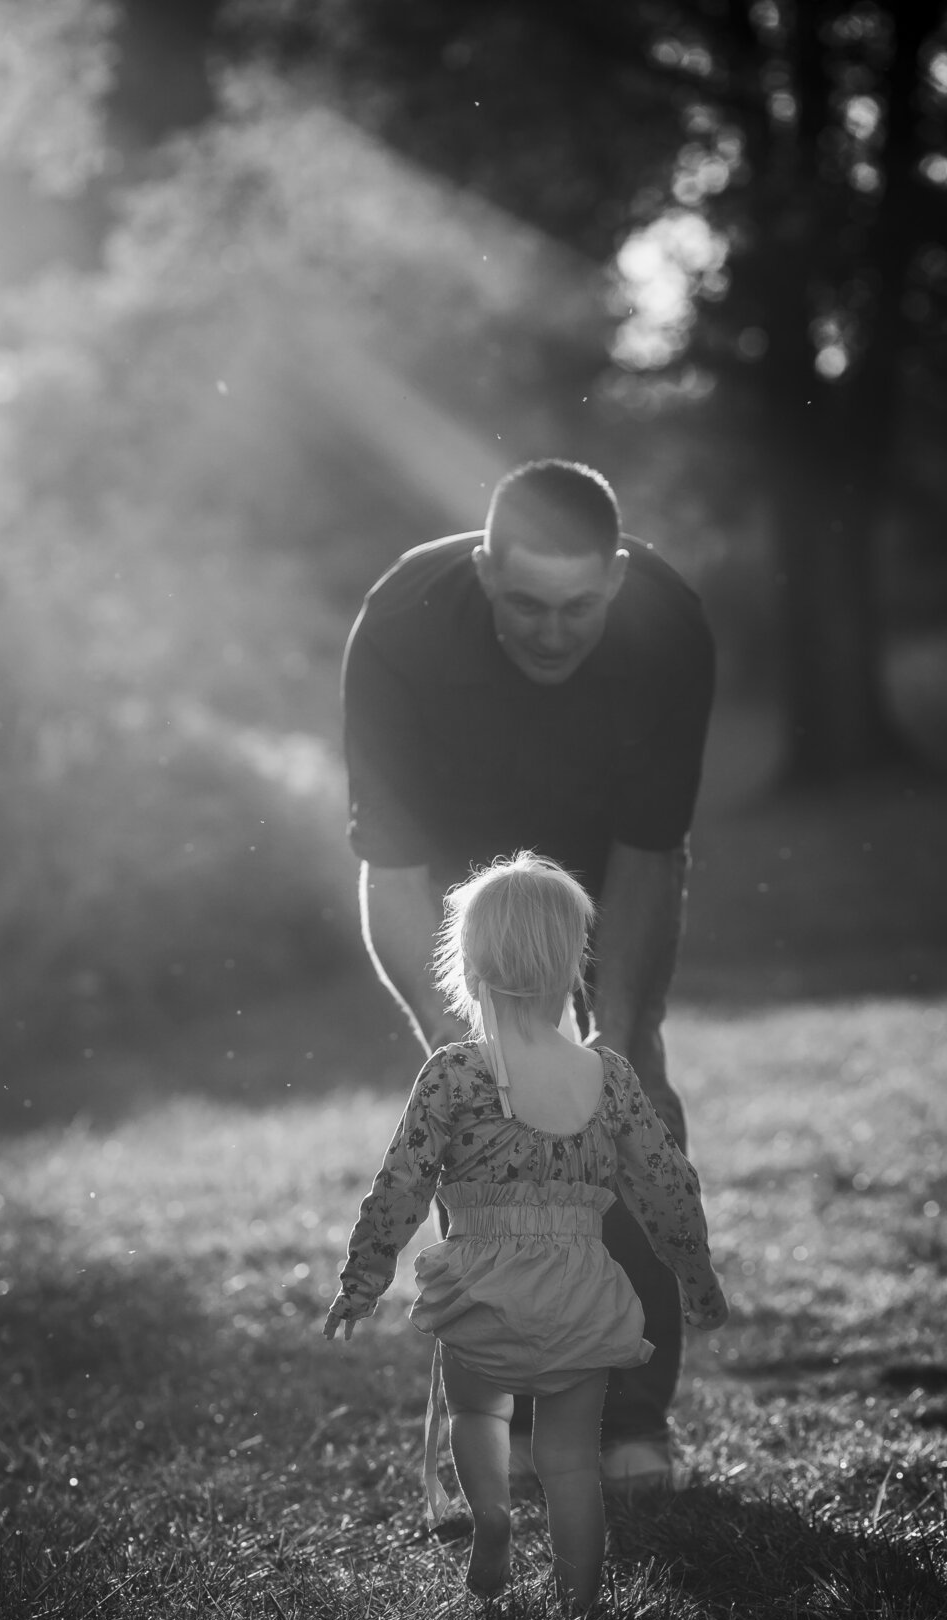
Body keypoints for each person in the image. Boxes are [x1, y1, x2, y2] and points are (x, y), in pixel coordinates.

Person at [341, 458, 715, 1491]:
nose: (553, 631)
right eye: (525, 605)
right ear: (483, 567)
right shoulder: (403, 624)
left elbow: (650, 854)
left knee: (628, 1087)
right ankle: (495, 1427)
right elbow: (394, 869)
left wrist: (620, 1043)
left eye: (580, 607)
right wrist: (469, 1055)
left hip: (599, 862)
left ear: (619, 578)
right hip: (462, 875)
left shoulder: (668, 627)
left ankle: (632, 1421)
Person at [323, 853, 728, 1608]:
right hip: (581, 1290)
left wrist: (363, 1279)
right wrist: (696, 1278)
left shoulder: (451, 1073)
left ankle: (495, 1517)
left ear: (465, 965)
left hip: (484, 1288)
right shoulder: (608, 1075)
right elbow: (667, 1187)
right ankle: (580, 1602)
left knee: (478, 1413)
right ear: (575, 965)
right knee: (572, 1458)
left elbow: (402, 1185)